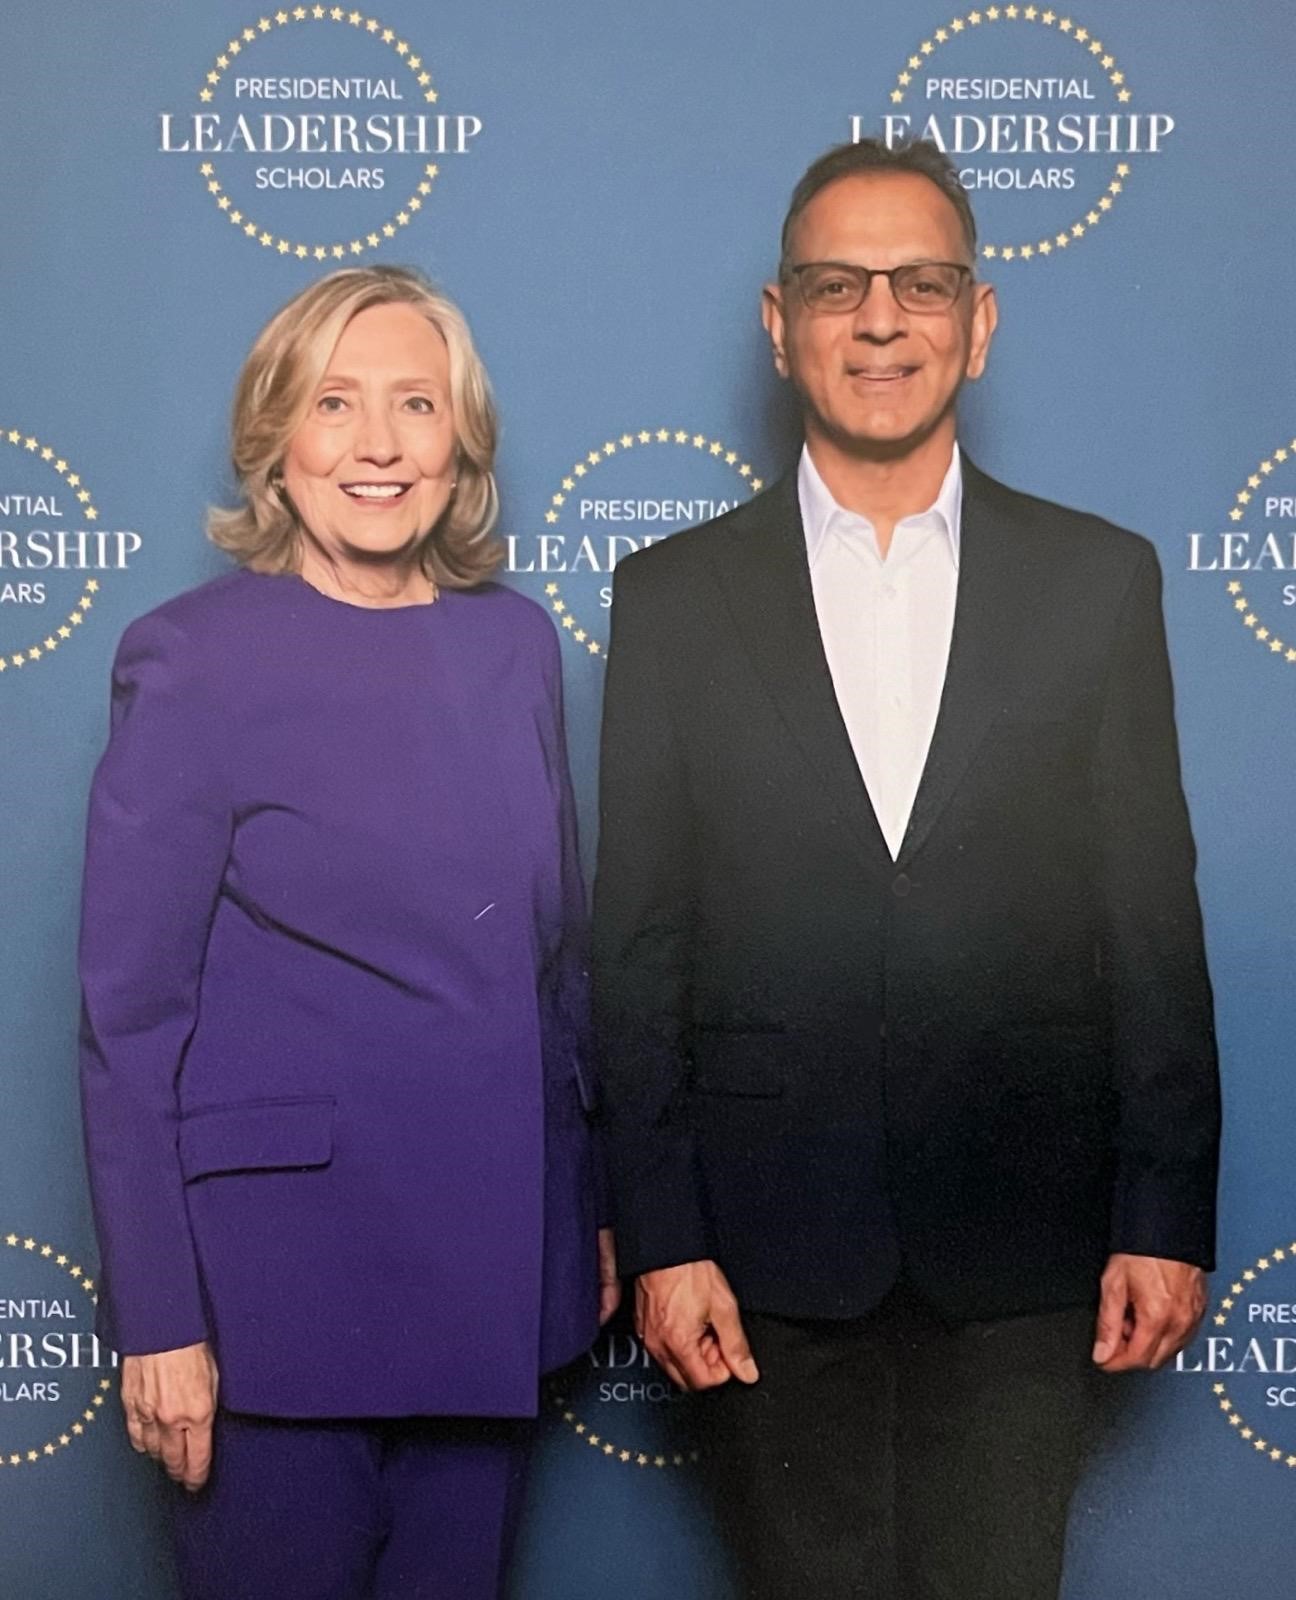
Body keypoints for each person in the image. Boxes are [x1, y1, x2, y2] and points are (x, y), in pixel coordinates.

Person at [592, 139, 1219, 1600]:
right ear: (780, 324)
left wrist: (1164, 1218)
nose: (881, 320)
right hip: (762, 1258)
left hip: (1027, 1249)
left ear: (977, 321)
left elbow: (1151, 918)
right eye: (837, 286)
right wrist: (666, 1238)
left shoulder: (1100, 581)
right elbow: (638, 946)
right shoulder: (670, 598)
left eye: (920, 284)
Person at [78, 264, 618, 1600]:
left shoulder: (517, 649)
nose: (378, 443)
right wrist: (158, 1317)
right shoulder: (193, 658)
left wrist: (589, 1215)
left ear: (461, 443)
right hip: (271, 1308)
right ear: (275, 440)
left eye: (416, 404)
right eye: (335, 403)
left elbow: (557, 971)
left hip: (491, 1282)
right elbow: (128, 1020)